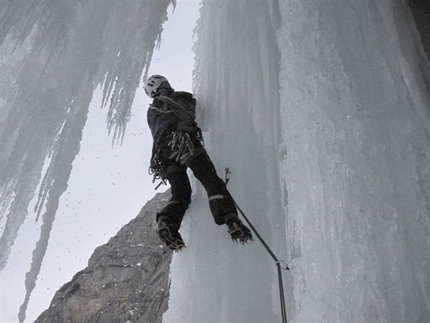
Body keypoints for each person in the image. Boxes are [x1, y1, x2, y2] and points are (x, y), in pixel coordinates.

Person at [144, 75, 252, 251]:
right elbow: (201, 111)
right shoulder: (180, 97)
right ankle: (229, 218)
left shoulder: (151, 112)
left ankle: (167, 222)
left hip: (163, 155)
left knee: (181, 193)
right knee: (209, 179)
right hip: (184, 142)